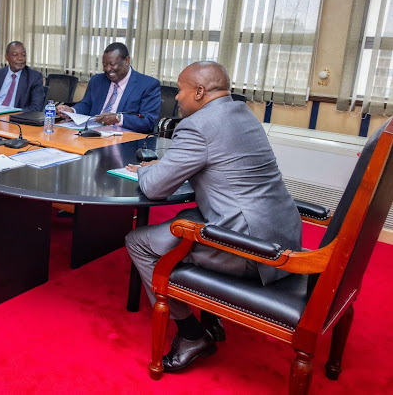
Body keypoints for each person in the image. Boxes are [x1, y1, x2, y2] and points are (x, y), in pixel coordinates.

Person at [124, 61, 302, 373]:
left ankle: (192, 335)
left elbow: (154, 189)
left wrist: (146, 170)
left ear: (200, 91)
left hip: (250, 249)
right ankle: (211, 315)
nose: (176, 97)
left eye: (180, 90)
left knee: (138, 241)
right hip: (282, 233)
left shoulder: (197, 125)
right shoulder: (242, 113)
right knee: (187, 214)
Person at [57, 43, 160, 133]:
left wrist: (118, 118)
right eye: (104, 65)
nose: (107, 69)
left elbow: (148, 121)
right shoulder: (97, 80)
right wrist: (72, 111)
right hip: (92, 134)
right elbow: (87, 104)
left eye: (112, 64)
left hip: (124, 140)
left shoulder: (147, 85)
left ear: (127, 61)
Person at [0, 41, 45, 111]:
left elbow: (36, 108)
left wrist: (12, 114)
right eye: (15, 55)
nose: (20, 58)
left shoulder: (34, 77)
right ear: (7, 57)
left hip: (15, 118)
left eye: (23, 55)